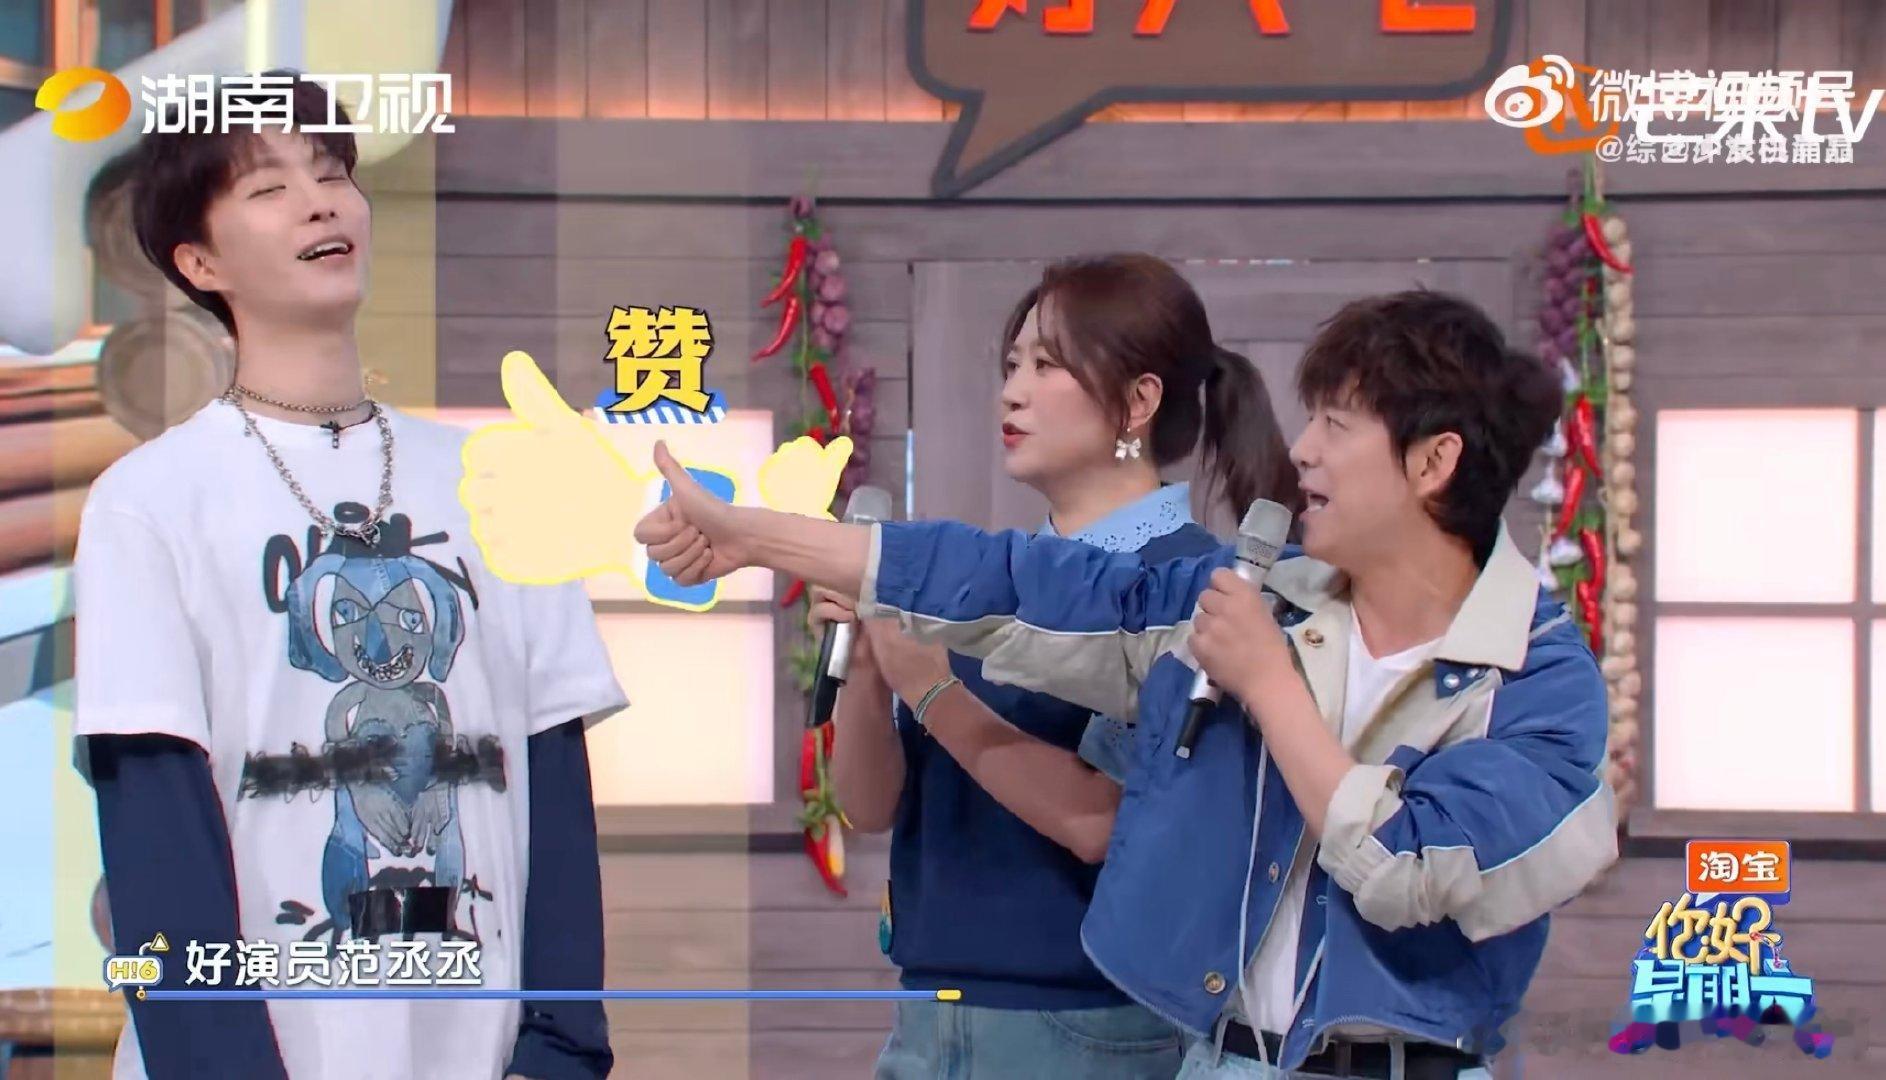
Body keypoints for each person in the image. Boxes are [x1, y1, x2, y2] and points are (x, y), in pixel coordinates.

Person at [636, 290, 1617, 1079]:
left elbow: (1413, 868)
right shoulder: (1260, 599)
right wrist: (755, 535)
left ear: (1433, 462)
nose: (1303, 449)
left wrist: (1267, 685)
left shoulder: (1541, 680)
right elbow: (1022, 588)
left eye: (1335, 422)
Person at [74, 73, 625, 1080]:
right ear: (199, 260)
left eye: (331, 174)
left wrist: (559, 1053)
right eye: (270, 188)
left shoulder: (499, 480)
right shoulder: (147, 502)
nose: (321, 203)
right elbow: (158, 842)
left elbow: (553, 796)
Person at [808, 255, 1299, 1078]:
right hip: (929, 1015)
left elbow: (1100, 822)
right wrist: (867, 665)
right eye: (1010, 366)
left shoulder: (1194, 587)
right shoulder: (983, 583)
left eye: (1046, 366)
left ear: (1138, 402)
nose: (1012, 392)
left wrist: (930, 687)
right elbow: (867, 804)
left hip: (1088, 1027)